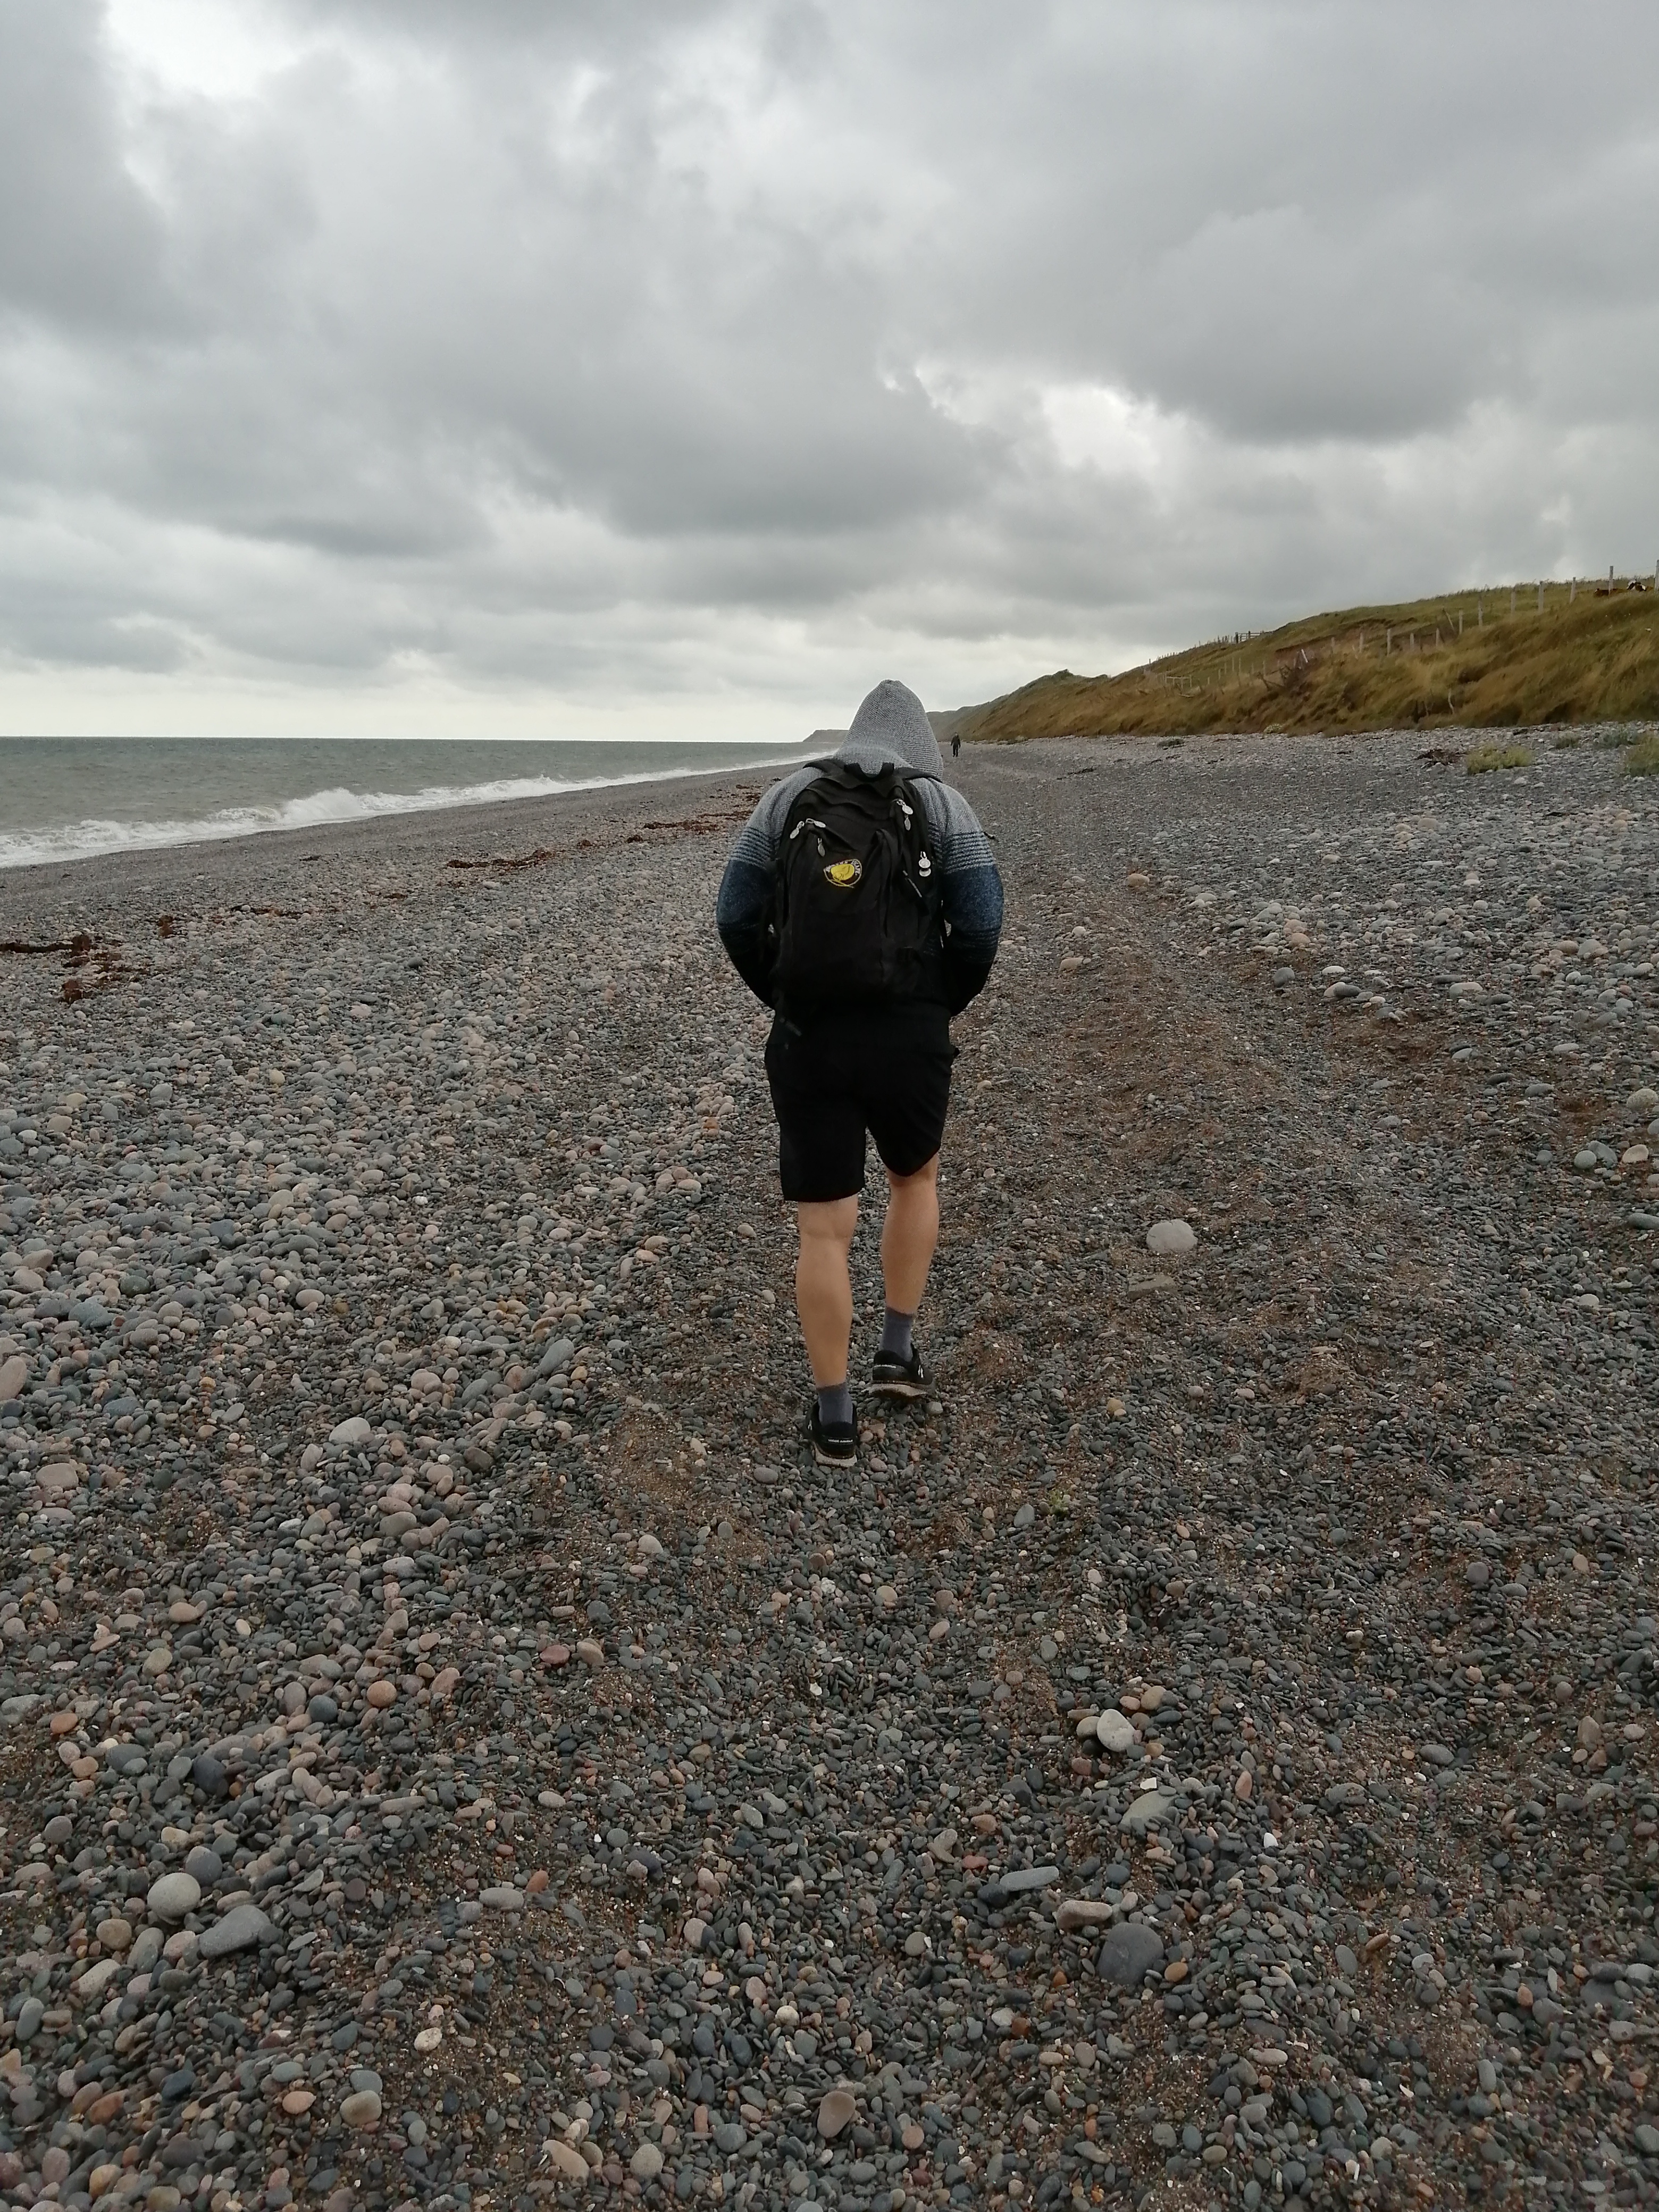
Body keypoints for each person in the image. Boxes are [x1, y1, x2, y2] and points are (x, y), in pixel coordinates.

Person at [716, 679, 1003, 1466]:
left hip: (809, 1034)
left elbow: (734, 915)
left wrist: (783, 993)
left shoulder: (786, 797)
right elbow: (981, 926)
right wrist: (936, 1004)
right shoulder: (943, 805)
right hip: (910, 1033)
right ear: (920, 743)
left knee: (823, 1227)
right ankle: (897, 1352)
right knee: (915, 1180)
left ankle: (835, 1416)